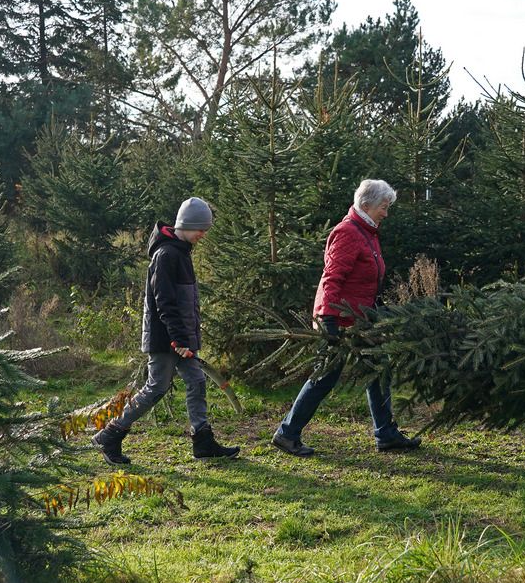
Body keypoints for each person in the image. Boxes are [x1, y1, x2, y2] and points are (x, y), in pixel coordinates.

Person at [271, 179, 421, 457]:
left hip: (362, 319)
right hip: (339, 319)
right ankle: (287, 434)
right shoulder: (348, 233)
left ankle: (386, 434)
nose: (386, 213)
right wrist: (328, 319)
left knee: (379, 370)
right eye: (383, 207)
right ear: (366, 205)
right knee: (325, 377)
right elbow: (332, 277)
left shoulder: (368, 232)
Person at [92, 197, 240, 464]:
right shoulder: (166, 255)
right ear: (188, 224)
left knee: (195, 381)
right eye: (201, 229)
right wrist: (180, 339)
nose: (203, 235)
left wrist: (189, 338)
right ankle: (110, 435)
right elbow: (165, 303)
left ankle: (203, 442)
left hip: (180, 338)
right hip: (166, 340)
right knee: (155, 388)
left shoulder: (181, 252)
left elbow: (185, 303)